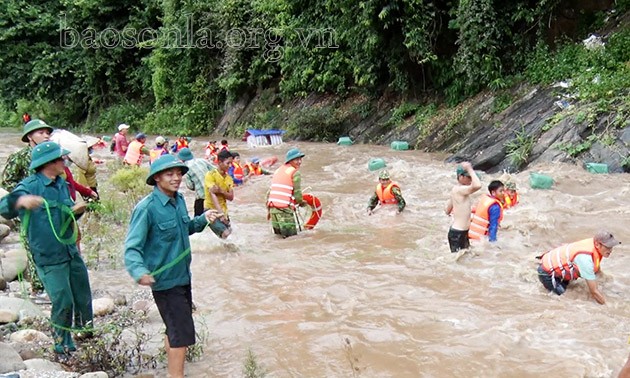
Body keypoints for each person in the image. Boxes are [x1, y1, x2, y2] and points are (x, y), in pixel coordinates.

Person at [124, 154, 220, 378]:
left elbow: (186, 228)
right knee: (182, 335)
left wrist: (204, 219)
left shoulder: (178, 202)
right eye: (170, 174)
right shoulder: (146, 208)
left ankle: (173, 371)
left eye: (179, 173)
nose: (176, 178)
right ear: (157, 178)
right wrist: (139, 272)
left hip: (183, 277)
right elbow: (132, 247)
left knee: (174, 329)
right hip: (165, 282)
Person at [0, 141, 93, 354]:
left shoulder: (60, 183)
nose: (65, 161)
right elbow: (4, 207)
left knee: (82, 295)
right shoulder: (30, 186)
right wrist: (22, 201)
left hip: (70, 251)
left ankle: (86, 336)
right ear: (48, 163)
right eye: (61, 158)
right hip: (49, 255)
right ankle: (62, 345)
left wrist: (76, 210)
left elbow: (64, 212)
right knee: (63, 300)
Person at [1, 119, 54, 292]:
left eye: (48, 132)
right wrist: (23, 196)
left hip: (50, 209)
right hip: (29, 212)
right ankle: (39, 289)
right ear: (30, 137)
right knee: (33, 248)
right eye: (41, 133)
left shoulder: (52, 157)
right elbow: (7, 180)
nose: (46, 135)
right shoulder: (19, 158)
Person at [537, 230, 620, 304]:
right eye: (608, 247)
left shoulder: (595, 246)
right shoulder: (585, 259)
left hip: (557, 263)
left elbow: (597, 271)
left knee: (570, 287)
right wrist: (607, 307)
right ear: (597, 245)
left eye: (611, 247)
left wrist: (610, 287)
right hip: (546, 272)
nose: (610, 250)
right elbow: (594, 292)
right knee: (565, 298)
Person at [266, 148, 307, 238]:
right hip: (284, 210)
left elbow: (269, 192)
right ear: (290, 161)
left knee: (279, 238)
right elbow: (297, 194)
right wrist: (301, 202)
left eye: (300, 159)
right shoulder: (295, 173)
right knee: (291, 239)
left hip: (273, 210)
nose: (299, 162)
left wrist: (268, 211)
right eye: (296, 159)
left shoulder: (278, 171)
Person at [444, 163, 482, 253]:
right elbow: (477, 186)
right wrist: (470, 169)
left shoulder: (456, 191)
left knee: (464, 259)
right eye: (469, 177)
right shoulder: (460, 190)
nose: (471, 180)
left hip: (461, 232)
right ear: (460, 177)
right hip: (458, 233)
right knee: (458, 260)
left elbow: (447, 210)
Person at [203, 149, 234, 239]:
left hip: (224, 211)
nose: (230, 166)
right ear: (219, 162)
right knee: (226, 234)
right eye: (227, 163)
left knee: (228, 235)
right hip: (211, 211)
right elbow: (213, 194)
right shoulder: (211, 175)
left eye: (231, 163)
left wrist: (221, 191)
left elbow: (231, 197)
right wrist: (220, 215)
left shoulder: (229, 178)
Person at [178, 148, 215, 216]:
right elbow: (215, 170)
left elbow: (190, 186)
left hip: (201, 197)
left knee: (198, 221)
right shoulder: (202, 160)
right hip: (214, 194)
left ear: (181, 159)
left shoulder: (186, 168)